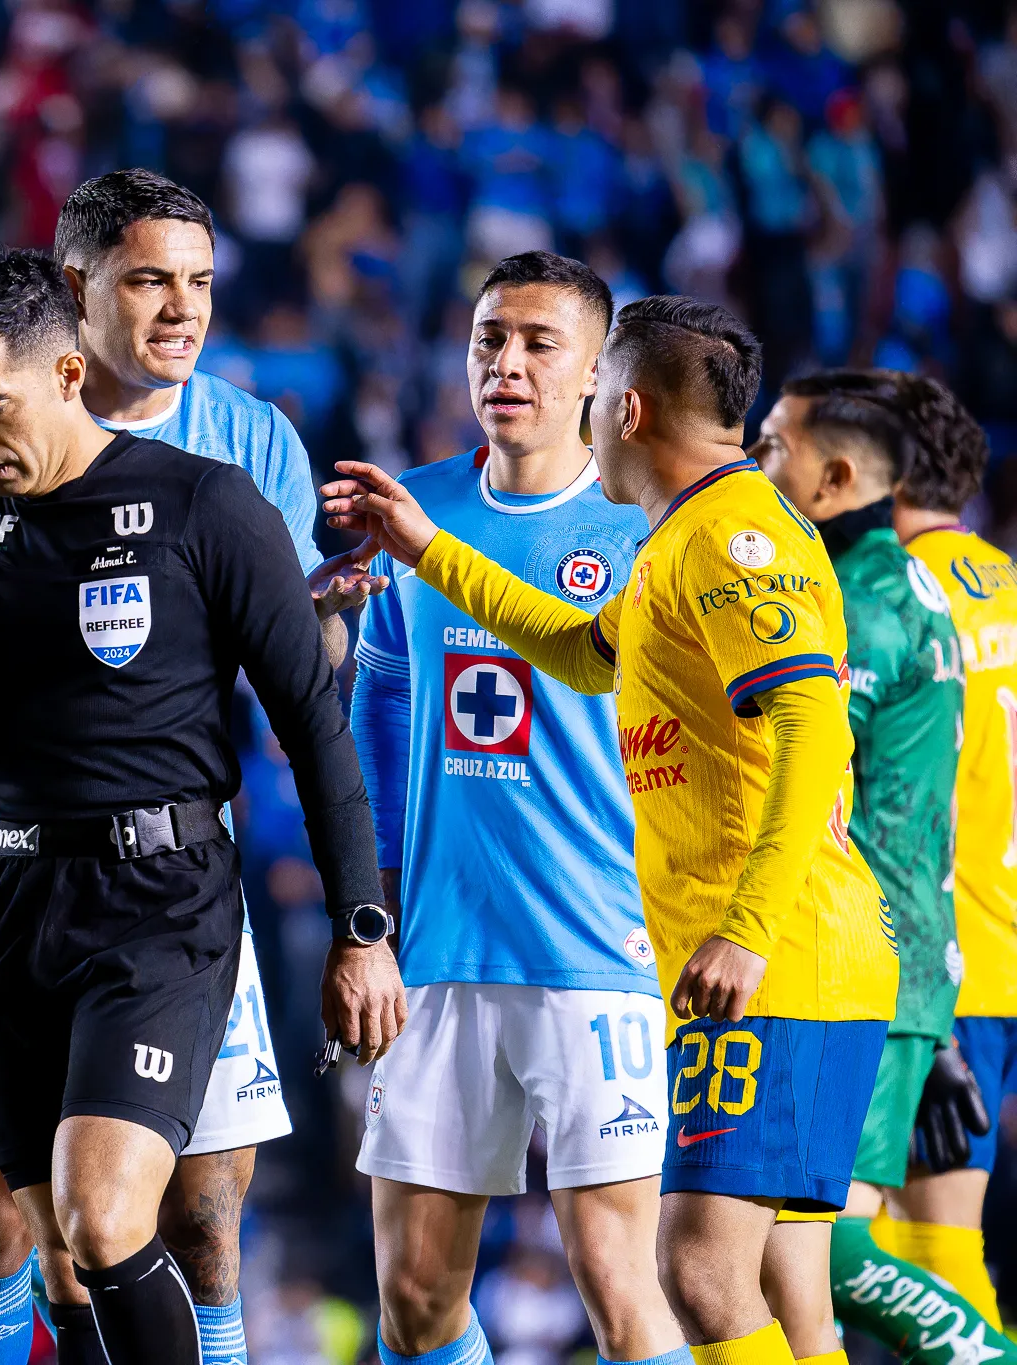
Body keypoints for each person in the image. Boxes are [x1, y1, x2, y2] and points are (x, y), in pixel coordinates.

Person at [0, 246, 394, 1365]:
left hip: (157, 905)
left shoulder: (202, 505)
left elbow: (311, 722)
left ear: (70, 376)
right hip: (2, 907)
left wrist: (359, 928)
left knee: (106, 1217)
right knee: (60, 1261)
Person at [324, 294, 897, 1365]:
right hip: (760, 960)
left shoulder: (729, 537)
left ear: (622, 409)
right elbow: (585, 654)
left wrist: (745, 926)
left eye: (582, 388)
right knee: (733, 1278)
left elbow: (814, 728)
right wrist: (424, 547)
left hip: (773, 959)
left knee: (693, 1273)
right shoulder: (679, 541)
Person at [347, 253, 686, 1365]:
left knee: (615, 1279)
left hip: (602, 945)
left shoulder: (644, 528)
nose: (508, 362)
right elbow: (384, 691)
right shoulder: (419, 508)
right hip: (442, 948)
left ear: (597, 373)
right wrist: (374, 904)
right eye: (490, 337)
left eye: (540, 343)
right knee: (410, 1294)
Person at [755, 371, 1005, 1365]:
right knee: (924, 1252)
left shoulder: (870, 604)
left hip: (887, 954)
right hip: (952, 957)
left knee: (822, 1252)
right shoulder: (987, 592)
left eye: (777, 445)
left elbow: (836, 784)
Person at [889, 374, 1017, 1330]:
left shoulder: (903, 604)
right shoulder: (1009, 585)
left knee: (929, 1255)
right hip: (1001, 956)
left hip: (950, 965)